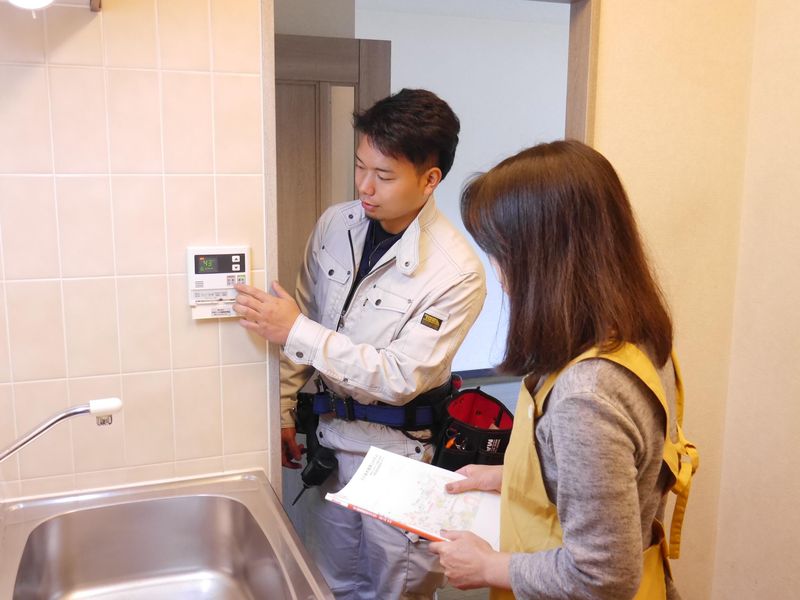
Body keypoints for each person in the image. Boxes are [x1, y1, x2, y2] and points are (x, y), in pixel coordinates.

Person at [233, 88, 486, 599]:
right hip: (330, 439)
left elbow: (399, 376)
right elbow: (307, 311)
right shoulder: (336, 224)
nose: (365, 187)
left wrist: (295, 330)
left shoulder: (457, 272)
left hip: (401, 456)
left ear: (430, 179)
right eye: (359, 166)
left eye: (384, 176)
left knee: (397, 591)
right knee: (329, 584)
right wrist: (284, 408)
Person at [429, 140, 699, 599]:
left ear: (541, 260)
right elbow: (619, 478)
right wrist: (510, 478)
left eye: (499, 253)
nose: (497, 272)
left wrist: (488, 566)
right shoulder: (638, 337)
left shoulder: (587, 394)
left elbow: (602, 575)